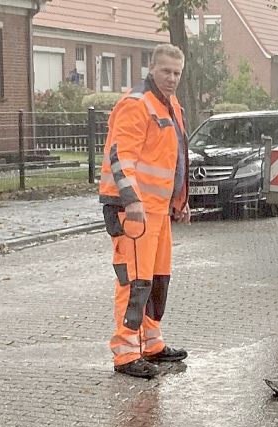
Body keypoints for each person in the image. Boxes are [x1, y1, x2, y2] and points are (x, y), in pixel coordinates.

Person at [99, 44, 191, 378]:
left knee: (156, 280)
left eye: (177, 73)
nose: (172, 78)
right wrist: (133, 202)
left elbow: (176, 156)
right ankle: (125, 353)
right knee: (134, 281)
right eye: (166, 71)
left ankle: (151, 343)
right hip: (133, 211)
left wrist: (180, 202)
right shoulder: (136, 104)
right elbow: (121, 157)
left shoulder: (170, 105)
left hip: (157, 211)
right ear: (151, 69)